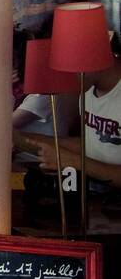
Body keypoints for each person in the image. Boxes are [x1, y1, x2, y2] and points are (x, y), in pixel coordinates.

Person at [21, 31, 121, 189]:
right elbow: (89, 145)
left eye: (70, 65)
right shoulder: (87, 93)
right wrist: (15, 138)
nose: (66, 76)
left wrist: (75, 161)